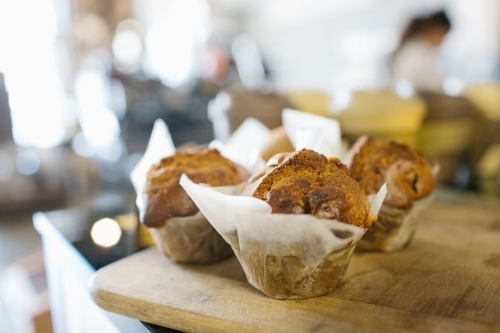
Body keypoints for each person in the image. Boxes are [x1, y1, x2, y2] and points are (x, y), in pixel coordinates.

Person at [391, 10, 452, 92]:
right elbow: (404, 84)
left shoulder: (424, 51)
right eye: (443, 35)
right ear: (432, 30)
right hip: (412, 102)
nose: (443, 41)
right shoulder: (415, 52)